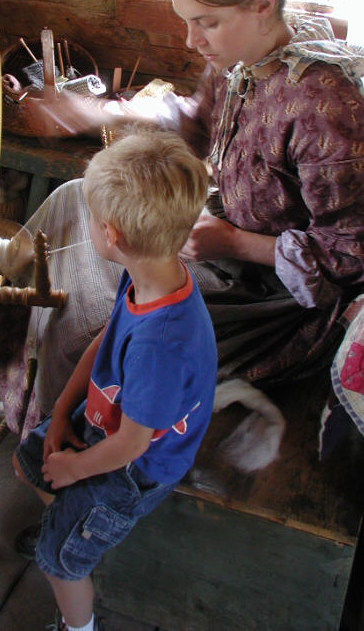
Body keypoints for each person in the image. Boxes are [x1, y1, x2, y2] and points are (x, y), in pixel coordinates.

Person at [0, 0, 364, 437]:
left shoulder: (325, 107)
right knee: (74, 200)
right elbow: (195, 124)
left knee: (99, 329)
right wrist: (95, 113)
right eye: (186, 20)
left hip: (273, 298)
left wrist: (234, 243)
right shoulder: (243, 59)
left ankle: (70, 452)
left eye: (205, 22)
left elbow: (351, 259)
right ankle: (12, 353)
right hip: (223, 238)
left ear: (262, 4)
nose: (192, 41)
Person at [12, 129, 217, 631]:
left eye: (91, 218)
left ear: (114, 237)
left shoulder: (160, 345)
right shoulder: (150, 273)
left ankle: (78, 621)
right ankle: (75, 523)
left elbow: (131, 446)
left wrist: (79, 470)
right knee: (27, 461)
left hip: (135, 468)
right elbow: (108, 337)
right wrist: (61, 409)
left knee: (57, 562)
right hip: (107, 419)